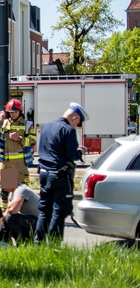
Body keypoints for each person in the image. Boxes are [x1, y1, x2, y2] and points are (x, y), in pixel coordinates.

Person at [35, 102, 89, 243]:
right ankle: (54, 245)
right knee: (59, 211)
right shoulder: (68, 130)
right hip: (59, 175)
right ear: (74, 118)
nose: (76, 127)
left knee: (44, 210)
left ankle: (38, 243)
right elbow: (72, 155)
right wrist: (81, 151)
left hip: (43, 174)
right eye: (78, 124)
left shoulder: (46, 126)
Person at [0, 99, 36, 210]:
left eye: (16, 112)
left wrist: (19, 139)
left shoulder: (27, 124)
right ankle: (5, 212)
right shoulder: (4, 123)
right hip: (7, 163)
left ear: (20, 111)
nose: (13, 114)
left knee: (23, 189)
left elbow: (33, 140)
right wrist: (0, 121)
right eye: (11, 112)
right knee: (5, 189)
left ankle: (23, 210)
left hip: (20, 163)